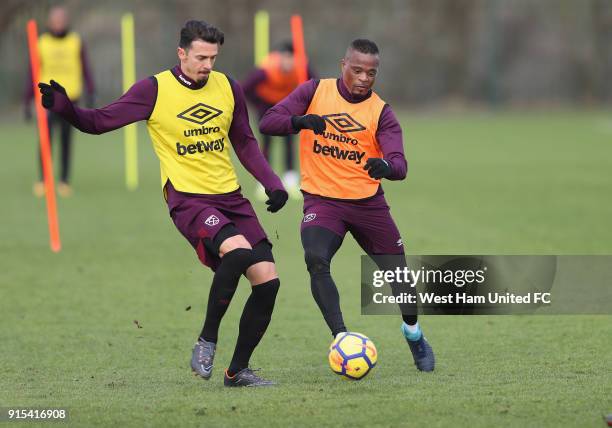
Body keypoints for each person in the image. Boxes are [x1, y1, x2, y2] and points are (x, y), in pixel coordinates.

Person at [38, 20, 288, 387]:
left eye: (213, 58)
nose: (207, 65)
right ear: (181, 53)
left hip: (231, 197)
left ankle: (237, 371)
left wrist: (273, 183)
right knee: (236, 252)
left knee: (268, 281)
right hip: (188, 197)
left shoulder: (228, 87)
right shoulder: (154, 90)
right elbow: (100, 121)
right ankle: (206, 341)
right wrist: (67, 110)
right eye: (200, 57)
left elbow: (246, 143)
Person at [259, 39, 435, 372]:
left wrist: (385, 167)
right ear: (343, 65)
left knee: (398, 276)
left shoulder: (381, 112)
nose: (364, 77)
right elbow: (269, 121)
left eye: (372, 72)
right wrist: (300, 122)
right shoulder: (314, 91)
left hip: (368, 205)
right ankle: (341, 338)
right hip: (323, 202)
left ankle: (414, 334)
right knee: (316, 259)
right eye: (357, 70)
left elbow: (400, 164)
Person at [25, 5, 95, 197]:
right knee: (45, 141)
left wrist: (90, 91)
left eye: (61, 19)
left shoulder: (75, 41)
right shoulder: (42, 42)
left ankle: (64, 181)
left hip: (69, 97)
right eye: (55, 20)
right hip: (47, 98)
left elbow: (85, 67)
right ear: (49, 22)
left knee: (66, 140)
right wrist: (27, 100)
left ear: (66, 21)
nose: (58, 23)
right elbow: (33, 71)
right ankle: (43, 181)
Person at [242, 41, 315, 199]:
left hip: (286, 105)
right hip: (266, 106)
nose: (288, 62)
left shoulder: (302, 67)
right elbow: (245, 88)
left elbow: (316, 85)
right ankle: (264, 183)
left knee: (289, 141)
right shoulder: (266, 70)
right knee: (266, 143)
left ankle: (290, 179)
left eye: (291, 58)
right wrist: (258, 105)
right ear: (280, 57)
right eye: (285, 57)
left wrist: (303, 103)